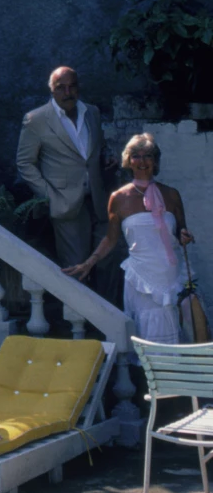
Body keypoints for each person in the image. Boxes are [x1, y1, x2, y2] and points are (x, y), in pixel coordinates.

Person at [66, 133, 194, 341]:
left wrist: (184, 236)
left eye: (148, 156)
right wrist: (88, 263)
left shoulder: (172, 194)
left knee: (178, 330)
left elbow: (181, 232)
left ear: (155, 161)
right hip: (141, 278)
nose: (142, 161)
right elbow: (110, 239)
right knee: (149, 335)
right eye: (136, 156)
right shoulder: (118, 198)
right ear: (128, 160)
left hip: (171, 274)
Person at [15, 65, 109, 271]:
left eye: (72, 86)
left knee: (106, 264)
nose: (68, 92)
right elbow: (24, 162)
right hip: (66, 205)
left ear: (78, 87)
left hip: (98, 200)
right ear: (51, 90)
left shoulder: (92, 112)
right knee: (76, 267)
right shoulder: (36, 120)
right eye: (61, 87)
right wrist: (50, 196)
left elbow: (91, 153)